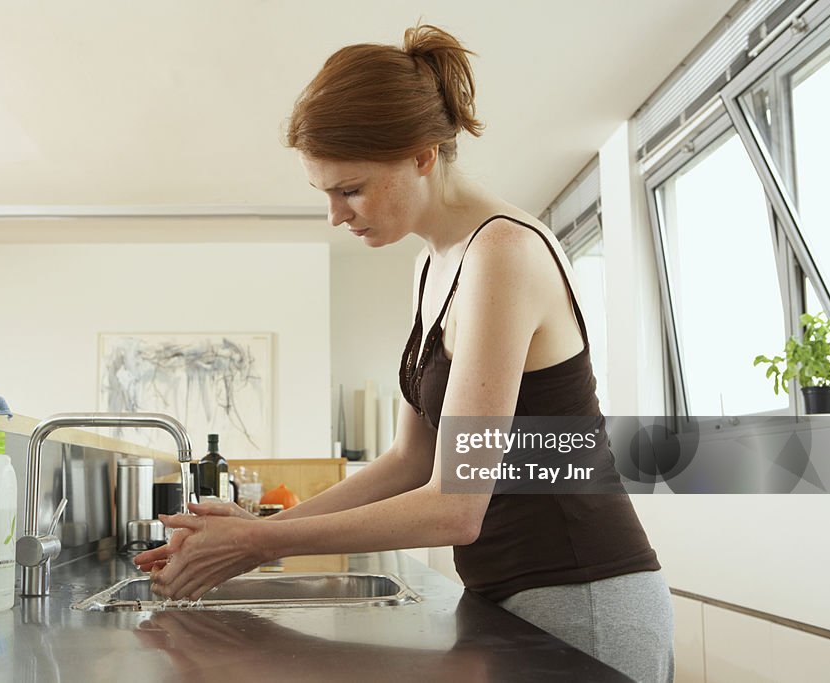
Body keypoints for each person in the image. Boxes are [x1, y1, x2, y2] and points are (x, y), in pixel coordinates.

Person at [135, 23, 674, 682]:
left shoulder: (503, 253)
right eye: (325, 193)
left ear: (422, 155)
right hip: (507, 596)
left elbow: (455, 503)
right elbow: (409, 459)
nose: (336, 214)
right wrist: (252, 532)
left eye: (350, 188)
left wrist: (260, 540)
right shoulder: (430, 266)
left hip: (584, 597)